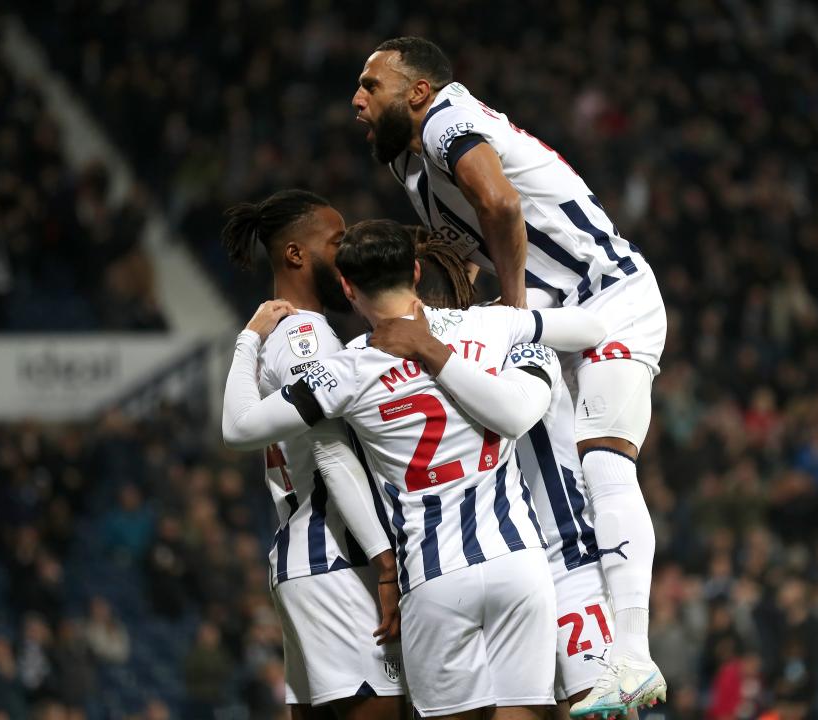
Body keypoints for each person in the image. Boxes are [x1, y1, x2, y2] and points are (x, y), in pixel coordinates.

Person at [352, 37, 668, 715]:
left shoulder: (445, 121)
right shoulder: (411, 169)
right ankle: (609, 651)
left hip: (607, 296)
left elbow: (499, 205)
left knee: (606, 465)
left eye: (370, 87)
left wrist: (513, 314)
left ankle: (633, 657)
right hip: (560, 317)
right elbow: (467, 254)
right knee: (573, 470)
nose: (356, 100)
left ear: (416, 91)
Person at [222, 219, 607, 719]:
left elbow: (239, 426)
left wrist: (249, 339)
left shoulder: (348, 368)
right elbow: (592, 328)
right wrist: (508, 321)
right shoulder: (486, 326)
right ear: (416, 270)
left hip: (433, 575)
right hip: (519, 562)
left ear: (347, 286)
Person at [389, 233, 634, 720]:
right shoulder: (512, 333)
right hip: (541, 561)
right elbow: (591, 324)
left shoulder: (496, 335)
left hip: (527, 561)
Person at [220, 189, 405, 719]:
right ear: (296, 254)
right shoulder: (307, 335)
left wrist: (246, 341)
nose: (347, 252)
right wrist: (386, 564)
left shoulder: (273, 336)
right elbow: (330, 455)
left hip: (303, 560)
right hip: (335, 558)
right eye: (337, 240)